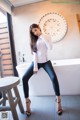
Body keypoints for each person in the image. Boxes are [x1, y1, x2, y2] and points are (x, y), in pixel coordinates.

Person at [22, 23, 63, 117]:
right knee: (24, 78)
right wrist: (35, 67)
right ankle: (27, 102)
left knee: (53, 77)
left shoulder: (47, 36)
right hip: (35, 62)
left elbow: (50, 48)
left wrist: (42, 37)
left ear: (39, 28)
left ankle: (58, 101)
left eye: (35, 30)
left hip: (46, 62)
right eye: (33, 32)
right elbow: (35, 54)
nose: (35, 33)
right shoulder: (33, 40)